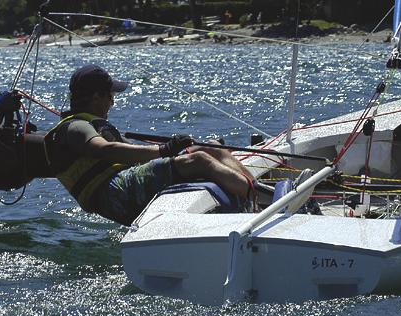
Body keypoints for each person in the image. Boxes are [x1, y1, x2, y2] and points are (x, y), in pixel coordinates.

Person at [44, 64, 253, 226]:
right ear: (97, 96)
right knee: (199, 160)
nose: (113, 102)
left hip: (126, 185)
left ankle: (254, 191)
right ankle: (265, 203)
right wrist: (164, 150)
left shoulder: (90, 124)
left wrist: (176, 148)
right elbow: (104, 149)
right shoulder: (76, 128)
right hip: (113, 194)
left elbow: (140, 157)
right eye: (110, 95)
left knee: (211, 148)